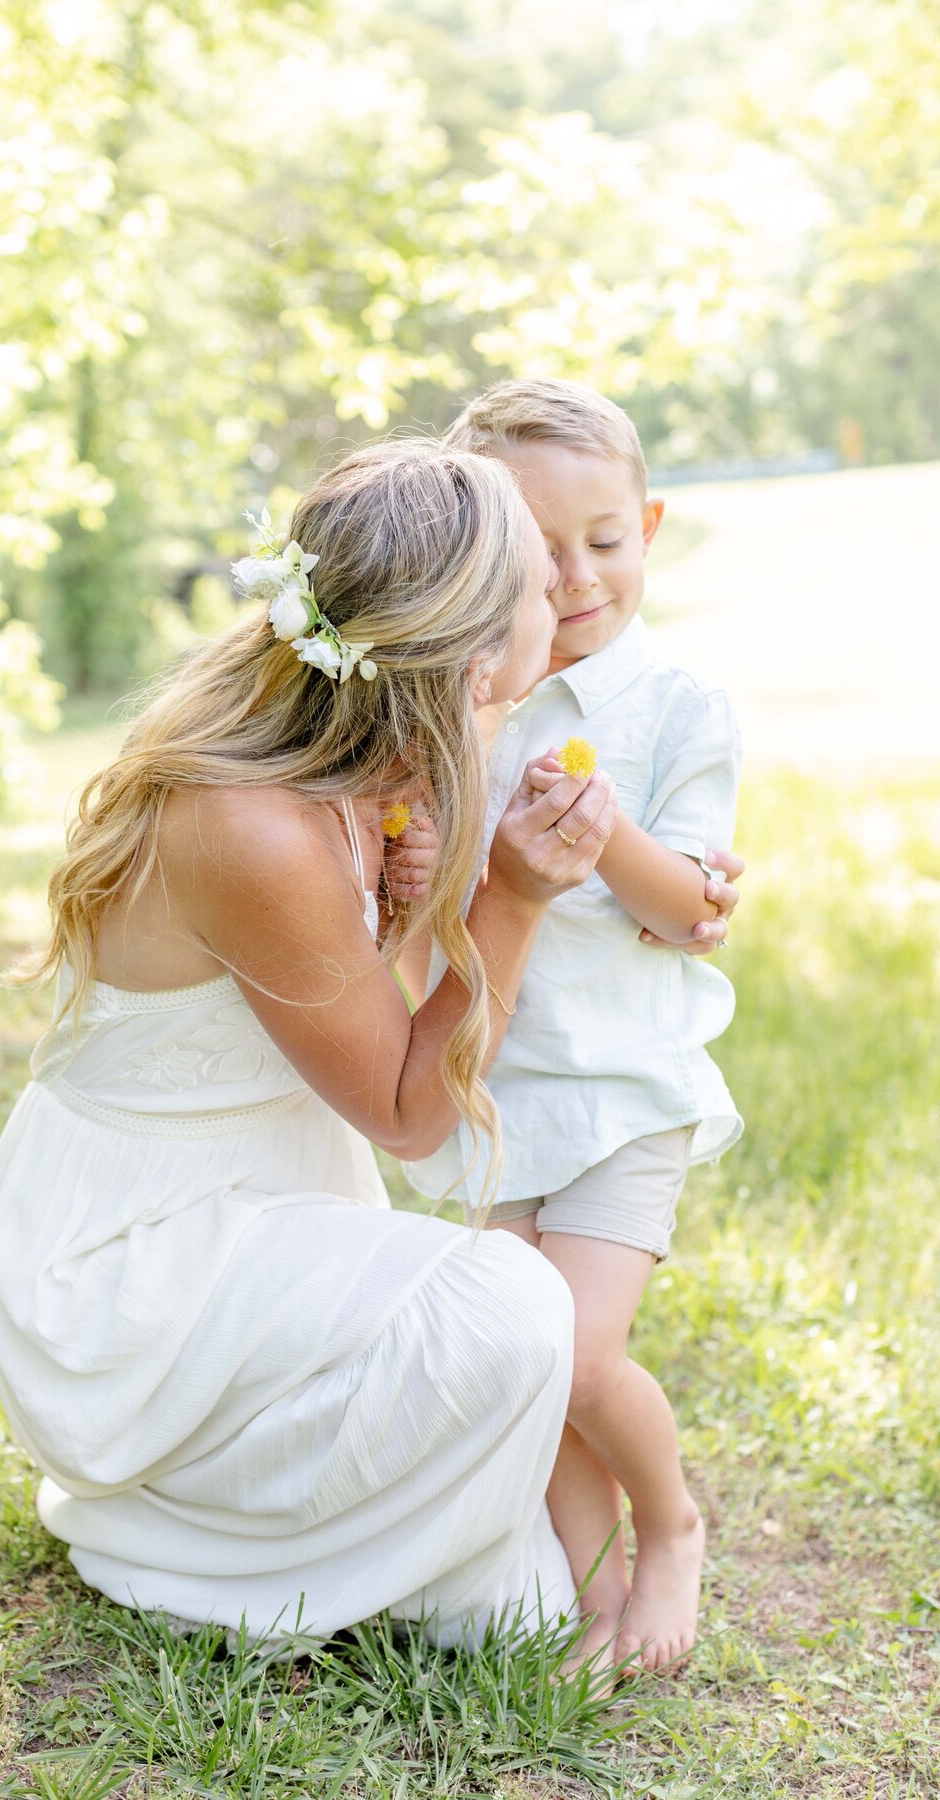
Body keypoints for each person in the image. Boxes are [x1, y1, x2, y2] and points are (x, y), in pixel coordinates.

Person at [0, 439, 626, 1650]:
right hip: (135, 1266)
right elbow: (410, 1110)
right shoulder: (256, 826)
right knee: (514, 1314)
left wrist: (427, 892)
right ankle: (186, 1525)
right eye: (542, 580)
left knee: (508, 1482)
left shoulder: (366, 761)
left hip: (251, 1199)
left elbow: (390, 1012)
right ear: (480, 658)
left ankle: (307, 1515)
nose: (566, 598)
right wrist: (514, 899)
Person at [401, 379, 744, 1674]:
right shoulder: (461, 704)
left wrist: (607, 843)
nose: (579, 575)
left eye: (605, 540)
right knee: (522, 1364)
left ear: (648, 525)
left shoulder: (678, 709)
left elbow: (694, 912)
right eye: (541, 553)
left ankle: (671, 1527)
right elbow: (427, 904)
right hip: (497, 1093)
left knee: (582, 1350)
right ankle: (593, 1593)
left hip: (623, 1093)